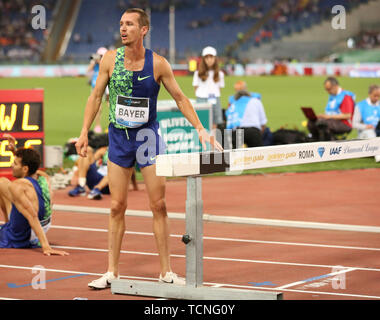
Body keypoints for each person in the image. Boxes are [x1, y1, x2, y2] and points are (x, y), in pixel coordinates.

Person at [74, 8, 222, 289]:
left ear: (144, 29)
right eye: (121, 24)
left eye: (129, 24)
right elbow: (95, 97)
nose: (123, 28)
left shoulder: (158, 64)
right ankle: (112, 273)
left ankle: (166, 272)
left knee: (159, 205)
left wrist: (200, 128)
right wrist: (83, 132)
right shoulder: (109, 60)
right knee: (117, 205)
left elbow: (180, 98)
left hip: (148, 139)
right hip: (118, 137)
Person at [0, 134, 68, 256]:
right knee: (2, 182)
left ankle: (8, 230)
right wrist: (14, 152)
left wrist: (46, 247)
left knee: (4, 184)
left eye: (15, 163)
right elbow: (31, 166)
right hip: (44, 226)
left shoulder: (17, 186)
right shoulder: (44, 177)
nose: (12, 166)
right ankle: (8, 224)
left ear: (25, 169)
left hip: (22, 235)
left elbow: (32, 216)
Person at [307, 77, 355, 141]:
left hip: (345, 124)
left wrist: (327, 117)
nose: (328, 92)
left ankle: (325, 144)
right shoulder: (333, 96)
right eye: (326, 89)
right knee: (311, 122)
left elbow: (347, 115)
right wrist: (322, 116)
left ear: (335, 86)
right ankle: (315, 140)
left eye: (329, 89)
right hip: (332, 121)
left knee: (322, 123)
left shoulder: (346, 96)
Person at [225, 80, 268, 148]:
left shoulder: (233, 103)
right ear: (246, 89)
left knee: (234, 156)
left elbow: (229, 121)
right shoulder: (256, 101)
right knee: (257, 156)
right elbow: (263, 123)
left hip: (237, 131)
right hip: (254, 131)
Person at [192, 46, 225, 133]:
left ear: (215, 58)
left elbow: (219, 88)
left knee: (215, 121)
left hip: (214, 98)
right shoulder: (197, 73)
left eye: (211, 57)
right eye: (207, 57)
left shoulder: (220, 74)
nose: (209, 59)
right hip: (201, 99)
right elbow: (196, 87)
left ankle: (212, 141)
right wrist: (202, 95)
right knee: (201, 121)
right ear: (203, 59)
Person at [87, 47, 109, 133]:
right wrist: (93, 62)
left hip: (107, 85)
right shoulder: (95, 63)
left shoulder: (107, 62)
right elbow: (88, 70)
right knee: (97, 107)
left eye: (101, 55)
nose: (99, 57)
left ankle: (111, 125)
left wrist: (100, 61)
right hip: (96, 85)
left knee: (110, 104)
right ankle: (97, 126)